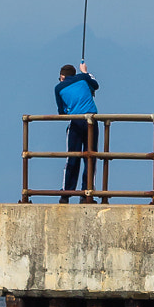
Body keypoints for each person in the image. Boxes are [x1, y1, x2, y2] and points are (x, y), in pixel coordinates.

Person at [55, 60, 100, 202]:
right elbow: (96, 85)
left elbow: (61, 112)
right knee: (90, 157)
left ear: (62, 76)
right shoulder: (83, 78)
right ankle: (86, 194)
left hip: (75, 122)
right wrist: (85, 71)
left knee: (72, 157)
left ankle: (65, 194)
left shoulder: (59, 88)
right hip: (91, 122)